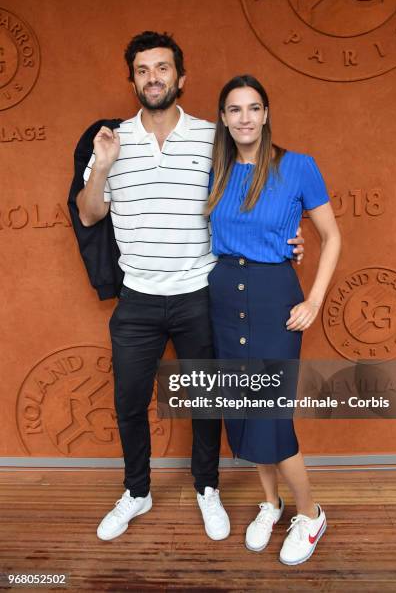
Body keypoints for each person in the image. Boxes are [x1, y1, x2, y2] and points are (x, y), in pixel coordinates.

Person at [76, 31, 306, 542]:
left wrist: (289, 238)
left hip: (202, 293)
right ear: (132, 79)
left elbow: (254, 194)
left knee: (207, 399)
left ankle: (208, 488)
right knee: (129, 401)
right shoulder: (113, 139)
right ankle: (138, 491)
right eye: (142, 70)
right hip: (137, 296)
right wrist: (103, 169)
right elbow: (89, 214)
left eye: (162, 68)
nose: (153, 77)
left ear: (181, 78)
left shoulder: (212, 138)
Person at [206, 75, 341, 565]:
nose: (245, 117)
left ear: (266, 114)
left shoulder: (298, 166)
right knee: (241, 408)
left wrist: (315, 300)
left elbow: (331, 237)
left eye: (254, 108)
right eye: (235, 109)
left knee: (269, 411)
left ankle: (311, 511)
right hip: (222, 295)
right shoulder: (215, 171)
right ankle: (271, 502)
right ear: (223, 118)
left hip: (273, 295)